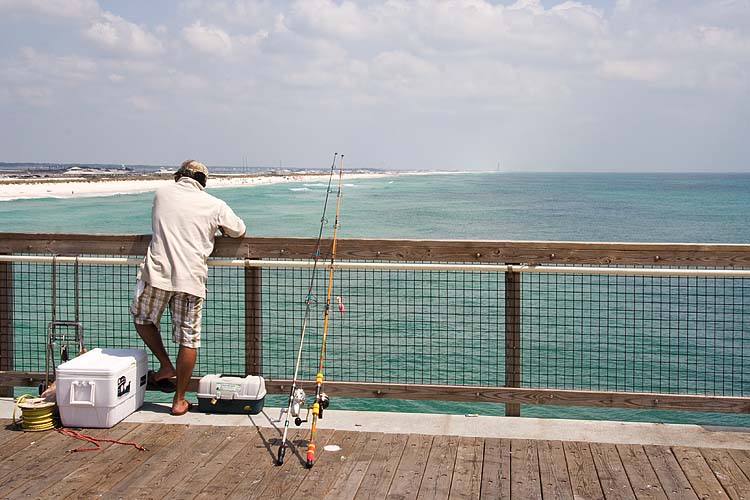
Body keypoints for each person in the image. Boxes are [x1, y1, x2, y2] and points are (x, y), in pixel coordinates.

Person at [130, 160, 246, 416]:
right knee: (188, 339)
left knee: (141, 318)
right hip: (191, 279)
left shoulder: (162, 193)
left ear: (178, 176)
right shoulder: (214, 205)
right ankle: (179, 400)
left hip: (158, 273)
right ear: (203, 182)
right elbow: (239, 230)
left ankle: (164, 364)